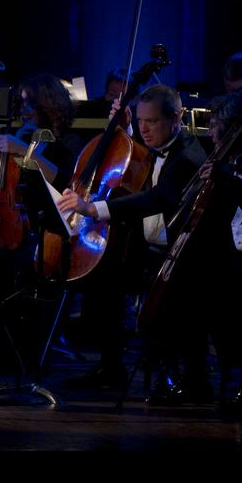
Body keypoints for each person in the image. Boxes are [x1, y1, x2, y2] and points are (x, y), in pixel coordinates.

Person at [56, 84, 208, 399]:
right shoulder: (154, 140)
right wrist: (123, 129)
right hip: (147, 248)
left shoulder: (187, 156)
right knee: (101, 275)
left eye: (151, 121)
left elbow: (157, 198)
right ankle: (110, 368)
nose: (144, 129)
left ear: (176, 118)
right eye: (140, 121)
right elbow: (136, 152)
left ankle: (188, 377)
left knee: (166, 295)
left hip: (181, 256)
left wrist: (93, 208)